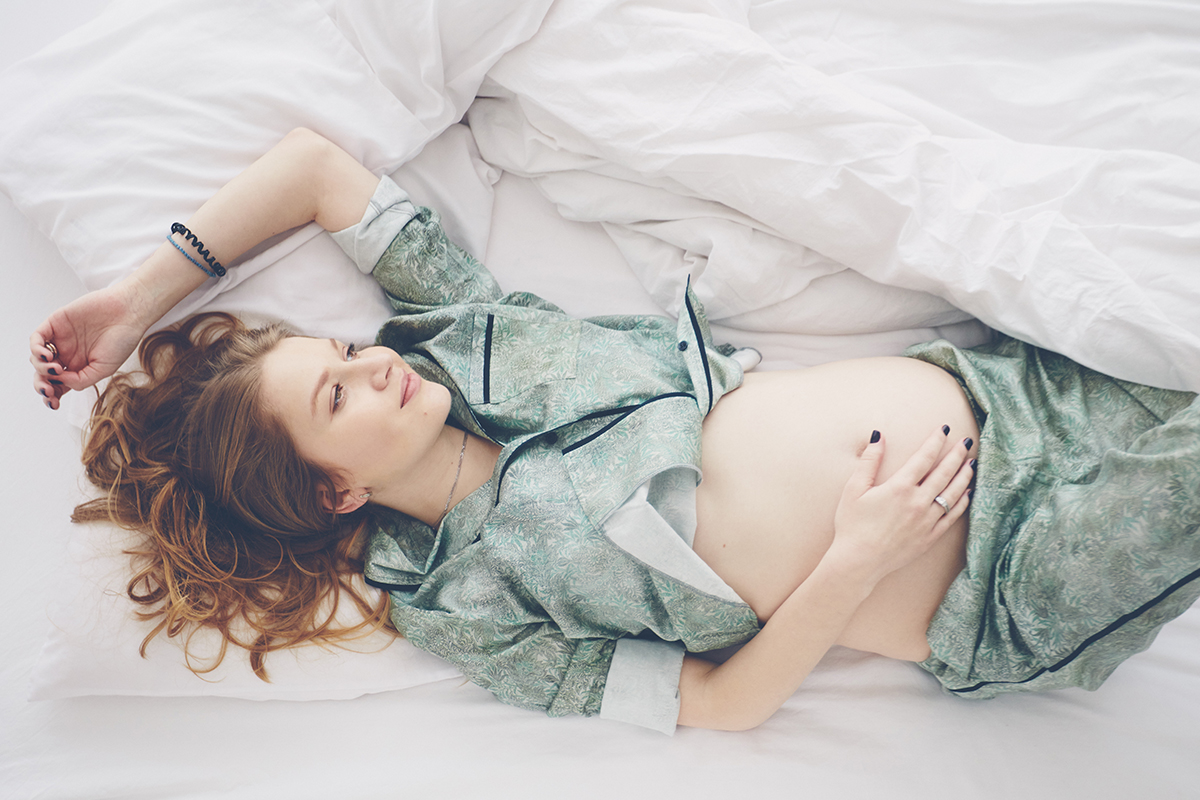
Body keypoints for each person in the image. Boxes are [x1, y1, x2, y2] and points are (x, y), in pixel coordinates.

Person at [30, 129, 1200, 734]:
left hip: (1011, 391)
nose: (372, 359)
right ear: (333, 492)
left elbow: (315, 168)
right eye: (338, 396)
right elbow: (722, 705)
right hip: (1005, 572)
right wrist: (859, 554)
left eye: (339, 352)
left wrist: (138, 304)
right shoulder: (467, 611)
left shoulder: (466, 330)